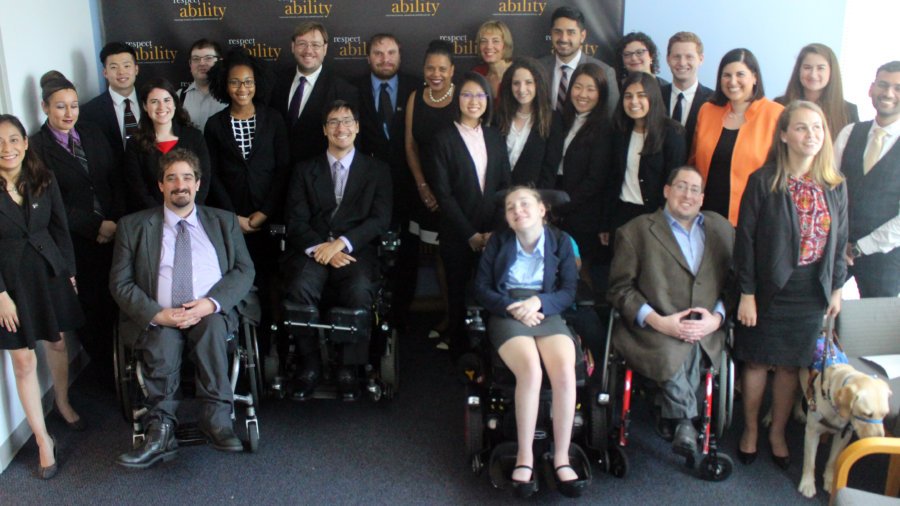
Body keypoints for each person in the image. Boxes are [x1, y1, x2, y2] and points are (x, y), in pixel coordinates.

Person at [110, 148, 255, 468]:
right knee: (160, 343)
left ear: (198, 184)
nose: (180, 185)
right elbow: (120, 284)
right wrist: (155, 313)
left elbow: (245, 271)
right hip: (158, 315)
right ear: (160, 185)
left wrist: (210, 304)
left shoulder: (223, 221)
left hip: (209, 312)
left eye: (187, 178)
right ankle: (160, 431)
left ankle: (217, 420)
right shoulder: (133, 227)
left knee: (212, 331)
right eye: (172, 178)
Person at [734, 101, 847, 468]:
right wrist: (747, 293)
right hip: (767, 290)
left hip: (810, 291)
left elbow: (841, 239)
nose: (811, 135)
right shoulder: (763, 181)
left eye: (817, 128)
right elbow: (745, 241)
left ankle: (777, 431)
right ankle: (750, 429)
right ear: (783, 135)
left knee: (788, 366)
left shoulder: (835, 184)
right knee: (755, 362)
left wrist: (836, 288)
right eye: (801, 127)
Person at [607, 166, 733, 455]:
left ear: (702, 197)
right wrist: (658, 321)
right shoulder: (635, 231)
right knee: (673, 349)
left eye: (694, 189)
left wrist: (715, 319)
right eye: (680, 186)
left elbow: (733, 285)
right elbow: (618, 289)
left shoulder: (722, 230)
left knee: (693, 345)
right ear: (666, 191)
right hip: (653, 327)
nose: (687, 195)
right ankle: (685, 422)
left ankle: (672, 416)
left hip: (706, 327)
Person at [474, 187, 583, 498]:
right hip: (507, 310)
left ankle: (562, 456)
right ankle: (525, 456)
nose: (517, 210)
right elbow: (481, 288)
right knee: (531, 372)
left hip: (546, 308)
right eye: (511, 207)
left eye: (525, 204)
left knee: (564, 370)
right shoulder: (499, 241)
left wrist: (538, 303)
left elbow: (568, 291)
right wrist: (513, 308)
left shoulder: (560, 241)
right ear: (507, 218)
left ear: (541, 210)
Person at [282, 100, 392, 401]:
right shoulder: (305, 170)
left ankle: (348, 367)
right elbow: (295, 220)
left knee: (358, 290)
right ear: (324, 130)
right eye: (333, 122)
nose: (341, 127)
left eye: (347, 121)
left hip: (355, 251)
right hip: (313, 250)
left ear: (357, 126)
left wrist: (340, 244)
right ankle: (310, 365)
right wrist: (323, 248)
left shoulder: (377, 170)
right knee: (299, 288)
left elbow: (380, 219)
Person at [0, 114, 85, 479]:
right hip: (10, 284)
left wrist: (70, 272)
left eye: (14, 139)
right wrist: (0, 295)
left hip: (49, 273)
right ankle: (41, 439)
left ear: (25, 142)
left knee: (57, 343)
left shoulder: (42, 178)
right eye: (0, 142)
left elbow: (60, 228)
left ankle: (62, 402)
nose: (7, 148)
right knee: (23, 361)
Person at [30, 71, 124, 388]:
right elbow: (50, 205)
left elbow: (115, 180)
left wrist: (114, 222)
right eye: (60, 107)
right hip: (76, 242)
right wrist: (97, 225)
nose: (69, 113)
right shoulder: (36, 149)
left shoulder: (93, 133)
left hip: (116, 233)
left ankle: (131, 366)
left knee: (122, 301)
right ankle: (106, 376)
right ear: (44, 107)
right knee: (90, 307)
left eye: (73, 105)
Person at [205, 47, 290, 347]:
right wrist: (233, 217)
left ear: (258, 83)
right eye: (235, 82)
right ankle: (241, 341)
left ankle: (273, 342)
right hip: (231, 221)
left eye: (248, 82)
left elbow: (283, 169)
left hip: (269, 218)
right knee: (237, 279)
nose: (243, 89)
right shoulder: (214, 125)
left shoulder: (274, 119)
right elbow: (212, 175)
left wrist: (265, 212)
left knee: (272, 281)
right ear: (224, 85)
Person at [430, 72, 511, 362]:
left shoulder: (494, 136)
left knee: (493, 291)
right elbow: (444, 194)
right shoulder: (443, 138)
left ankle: (493, 347)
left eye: (480, 95)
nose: (474, 101)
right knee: (457, 290)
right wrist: (471, 235)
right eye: (467, 94)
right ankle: (459, 348)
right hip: (457, 232)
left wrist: (494, 232)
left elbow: (504, 187)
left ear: (488, 100)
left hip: (493, 231)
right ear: (457, 99)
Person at [355, 33, 417, 330]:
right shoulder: (352, 88)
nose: (385, 59)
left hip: (410, 185)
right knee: (368, 249)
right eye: (378, 53)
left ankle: (402, 317)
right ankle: (369, 311)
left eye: (391, 52)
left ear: (400, 55)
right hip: (366, 188)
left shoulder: (416, 87)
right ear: (368, 57)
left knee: (408, 251)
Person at [540, 63, 613, 292]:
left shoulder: (605, 128)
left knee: (579, 273)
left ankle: (582, 323)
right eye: (578, 87)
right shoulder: (561, 120)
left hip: (582, 213)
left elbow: (595, 180)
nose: (582, 94)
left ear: (600, 94)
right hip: (553, 203)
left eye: (590, 89)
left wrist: (561, 208)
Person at [403, 39, 458, 342]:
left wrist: (446, 192)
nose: (435, 74)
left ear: (452, 70)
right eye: (430, 68)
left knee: (455, 256)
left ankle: (459, 320)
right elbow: (410, 144)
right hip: (424, 193)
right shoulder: (416, 97)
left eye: (442, 68)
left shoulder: (463, 96)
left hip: (457, 193)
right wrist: (423, 185)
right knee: (436, 255)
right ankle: (448, 315)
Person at [692, 48, 783, 226]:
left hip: (753, 217)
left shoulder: (776, 114)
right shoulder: (707, 110)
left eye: (740, 74)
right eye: (726, 75)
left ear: (754, 77)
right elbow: (693, 159)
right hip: (706, 214)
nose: (732, 82)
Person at [834, 61, 900, 297]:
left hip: (885, 257)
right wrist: (838, 242)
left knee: (876, 328)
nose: (888, 93)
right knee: (816, 312)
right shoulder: (849, 132)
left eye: (897, 87)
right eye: (883, 85)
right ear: (871, 89)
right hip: (836, 249)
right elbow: (828, 188)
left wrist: (860, 248)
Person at [605, 71, 686, 248]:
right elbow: (611, 178)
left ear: (653, 97)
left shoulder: (672, 134)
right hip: (621, 214)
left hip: (656, 218)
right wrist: (605, 223)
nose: (634, 102)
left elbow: (676, 184)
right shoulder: (619, 131)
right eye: (628, 96)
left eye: (641, 96)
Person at [270, 22, 358, 164]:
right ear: (293, 47)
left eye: (315, 45)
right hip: (278, 175)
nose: (308, 50)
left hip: (318, 178)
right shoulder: (275, 83)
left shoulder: (343, 90)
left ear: (325, 48)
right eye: (302, 44)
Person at [123, 77, 211, 212]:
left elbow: (203, 181)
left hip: (192, 214)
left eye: (166, 100)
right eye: (154, 101)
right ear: (145, 106)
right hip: (151, 218)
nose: (161, 107)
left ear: (175, 103)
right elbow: (137, 189)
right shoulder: (135, 144)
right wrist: (163, 215)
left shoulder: (194, 137)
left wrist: (186, 211)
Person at [537, 6, 618, 115]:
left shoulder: (605, 72)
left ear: (582, 36)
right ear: (551, 33)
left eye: (571, 32)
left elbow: (612, 117)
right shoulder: (538, 68)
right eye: (558, 32)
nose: (563, 38)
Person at [494, 57, 561, 187]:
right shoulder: (498, 118)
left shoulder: (553, 120)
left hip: (533, 200)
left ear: (538, 84)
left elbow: (549, 171)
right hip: (499, 199)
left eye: (528, 82)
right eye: (516, 83)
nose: (522, 89)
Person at [775, 43, 858, 140]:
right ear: (798, 70)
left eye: (820, 68)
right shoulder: (779, 105)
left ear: (832, 72)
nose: (813, 74)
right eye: (807, 67)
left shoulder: (848, 111)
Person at [80, 42, 140, 154]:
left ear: (136, 69)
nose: (121, 72)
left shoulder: (151, 102)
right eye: (114, 67)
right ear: (105, 73)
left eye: (126, 66)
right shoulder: (89, 112)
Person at [662, 32, 713, 154]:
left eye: (689, 57)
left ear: (701, 59)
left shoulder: (714, 101)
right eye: (676, 56)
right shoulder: (655, 96)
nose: (682, 62)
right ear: (668, 59)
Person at [177, 39, 227, 131]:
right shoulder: (178, 97)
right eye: (196, 59)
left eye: (208, 58)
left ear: (220, 62)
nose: (202, 63)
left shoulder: (231, 94)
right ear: (190, 64)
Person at [472, 20, 514, 98]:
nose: (489, 46)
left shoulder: (517, 73)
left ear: (505, 45)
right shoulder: (478, 73)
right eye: (484, 41)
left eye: (495, 41)